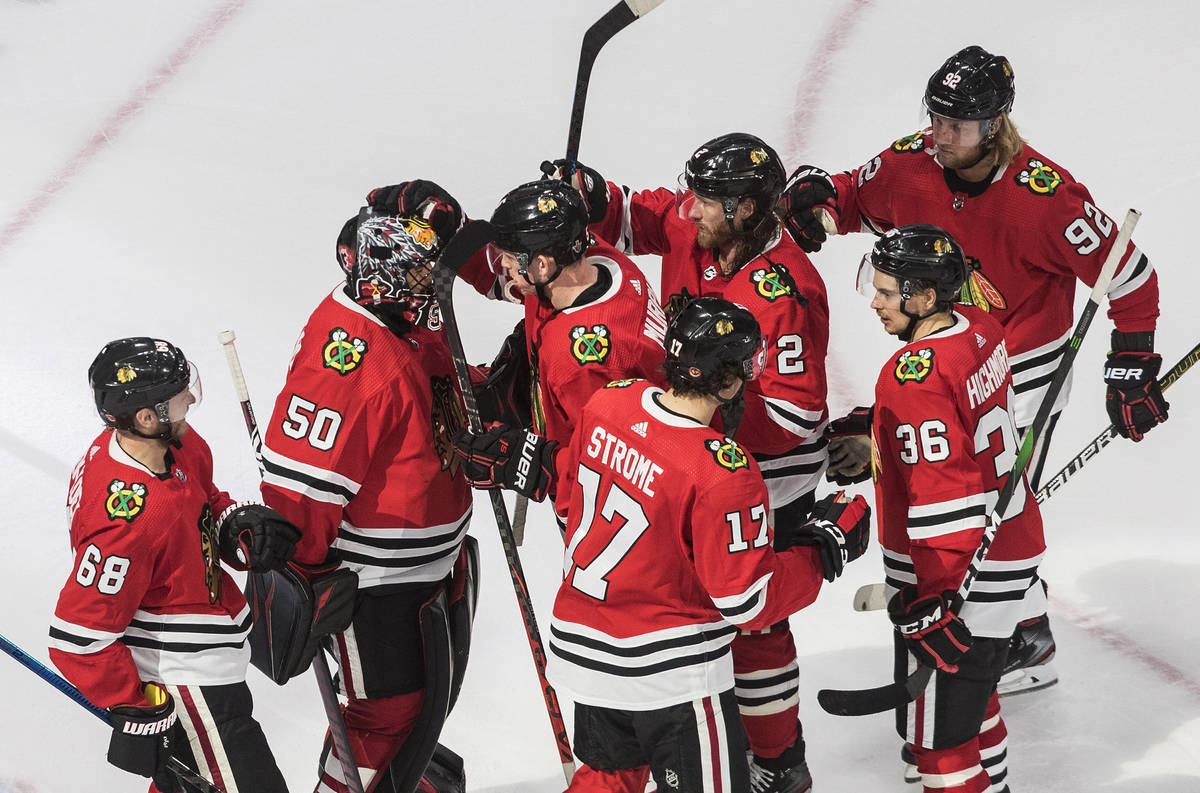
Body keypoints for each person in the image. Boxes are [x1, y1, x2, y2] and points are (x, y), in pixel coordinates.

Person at [780, 45, 1169, 698]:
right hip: (937, 362)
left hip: (1018, 375)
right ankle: (1003, 616)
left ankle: (1021, 635)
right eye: (935, 118)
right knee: (950, 500)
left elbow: (1131, 277)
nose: (940, 135)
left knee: (986, 510)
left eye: (956, 125)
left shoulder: (1047, 197)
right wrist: (820, 201)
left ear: (996, 124)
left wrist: (1130, 363)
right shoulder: (913, 160)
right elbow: (849, 196)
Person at [453, 297, 870, 793]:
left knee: (607, 781)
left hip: (588, 657)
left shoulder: (612, 401)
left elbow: (573, 483)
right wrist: (823, 548)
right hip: (674, 676)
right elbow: (748, 602)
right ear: (731, 380)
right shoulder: (723, 471)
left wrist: (531, 460)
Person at [561, 133, 830, 791]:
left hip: (761, 474)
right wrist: (591, 195)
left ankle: (777, 760)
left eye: (709, 200)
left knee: (754, 617)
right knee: (685, 606)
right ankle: (689, 738)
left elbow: (795, 416)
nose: (692, 209)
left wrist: (707, 420)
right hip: (687, 451)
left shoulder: (785, 288)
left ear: (745, 209)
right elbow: (635, 216)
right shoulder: (695, 221)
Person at [258, 181, 478, 793]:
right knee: (381, 725)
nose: (431, 288)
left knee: (419, 716)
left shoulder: (398, 312)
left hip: (427, 572)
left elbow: (436, 388)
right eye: (417, 275)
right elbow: (298, 491)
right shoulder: (349, 362)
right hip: (377, 588)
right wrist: (304, 576)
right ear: (380, 268)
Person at [51, 337, 298, 793]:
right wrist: (136, 708)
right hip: (184, 682)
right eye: (178, 395)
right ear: (145, 417)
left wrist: (232, 523)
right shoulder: (125, 521)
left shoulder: (173, 446)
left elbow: (200, 499)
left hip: (210, 664)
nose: (189, 399)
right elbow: (79, 638)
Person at [860, 225, 1046, 793]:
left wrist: (934, 600)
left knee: (939, 742)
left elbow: (948, 497)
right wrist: (875, 430)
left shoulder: (910, 377)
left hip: (954, 569)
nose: (875, 301)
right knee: (974, 697)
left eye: (888, 292)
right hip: (1009, 543)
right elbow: (956, 426)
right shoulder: (981, 327)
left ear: (924, 297)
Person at [481, 178, 670, 519]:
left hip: (606, 519)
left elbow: (618, 472)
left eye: (509, 258)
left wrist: (531, 466)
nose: (505, 268)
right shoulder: (601, 259)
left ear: (541, 266)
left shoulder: (582, 366)